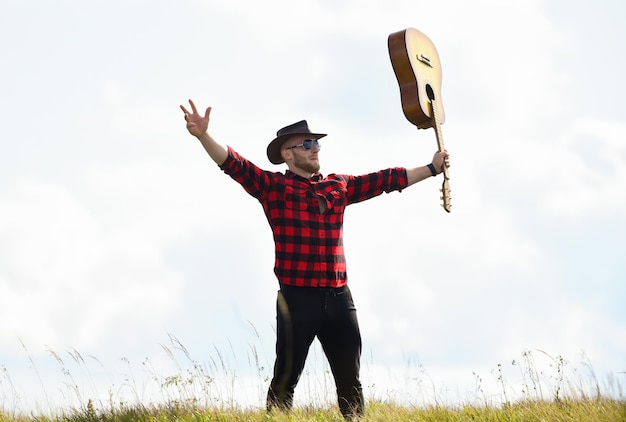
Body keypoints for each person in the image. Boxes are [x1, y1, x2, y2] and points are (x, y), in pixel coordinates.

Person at [179, 99, 450, 420]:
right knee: (286, 378)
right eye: (307, 144)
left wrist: (432, 169)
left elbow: (387, 179)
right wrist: (203, 137)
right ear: (287, 153)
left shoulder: (339, 185)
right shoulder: (272, 187)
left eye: (317, 143)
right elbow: (234, 164)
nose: (315, 149)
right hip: (297, 299)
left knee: (350, 380)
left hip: (339, 297)